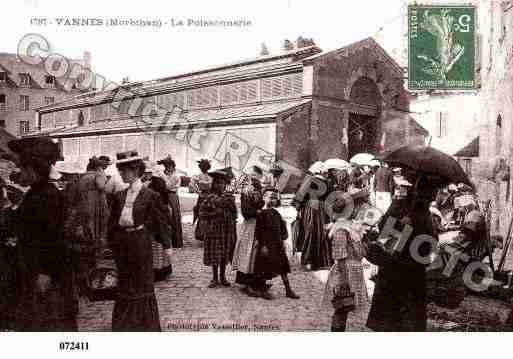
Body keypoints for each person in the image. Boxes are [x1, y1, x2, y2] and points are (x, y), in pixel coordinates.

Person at [8, 137, 78, 331]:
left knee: (50, 323)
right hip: (36, 269)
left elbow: (54, 239)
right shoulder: (37, 193)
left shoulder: (46, 196)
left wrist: (45, 272)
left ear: (34, 169)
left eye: (23, 168)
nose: (21, 173)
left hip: (47, 274)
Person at [107, 150, 172, 331]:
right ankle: (124, 324)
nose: (122, 174)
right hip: (123, 244)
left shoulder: (151, 195)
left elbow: (161, 221)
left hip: (140, 244)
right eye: (120, 171)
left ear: (136, 171)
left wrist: (167, 245)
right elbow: (112, 223)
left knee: (141, 283)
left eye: (125, 171)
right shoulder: (119, 196)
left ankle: (145, 325)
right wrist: (111, 243)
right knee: (125, 283)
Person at [366, 174, 439, 332]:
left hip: (408, 269)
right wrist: (400, 224)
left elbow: (430, 245)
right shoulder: (401, 206)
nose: (433, 197)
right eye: (431, 193)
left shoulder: (424, 213)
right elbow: (384, 231)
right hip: (398, 267)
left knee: (401, 318)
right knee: (396, 317)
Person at [323, 195, 369, 331]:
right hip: (345, 272)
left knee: (345, 307)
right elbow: (340, 257)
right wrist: (343, 283)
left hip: (352, 270)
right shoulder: (341, 229)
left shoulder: (348, 227)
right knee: (342, 307)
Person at [253, 187, 300, 300]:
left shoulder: (275, 212)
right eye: (270, 197)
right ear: (264, 198)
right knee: (264, 268)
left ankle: (288, 289)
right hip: (266, 245)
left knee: (283, 267)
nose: (273, 200)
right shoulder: (261, 213)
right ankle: (263, 290)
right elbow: (259, 231)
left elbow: (282, 227)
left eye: (275, 198)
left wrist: (284, 239)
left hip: (277, 244)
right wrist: (263, 245)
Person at [198, 169, 237, 288]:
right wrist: (215, 213)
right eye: (218, 183)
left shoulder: (229, 197)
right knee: (215, 252)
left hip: (226, 229)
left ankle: (223, 276)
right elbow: (202, 214)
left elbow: (235, 214)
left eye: (222, 183)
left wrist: (231, 213)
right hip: (214, 229)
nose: (220, 185)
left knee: (225, 252)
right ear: (214, 184)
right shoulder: (209, 197)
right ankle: (215, 278)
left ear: (225, 185)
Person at [232, 165, 265, 297]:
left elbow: (263, 204)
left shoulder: (260, 190)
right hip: (250, 224)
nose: (255, 179)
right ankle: (246, 283)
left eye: (257, 176)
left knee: (256, 253)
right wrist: (257, 211)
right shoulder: (247, 191)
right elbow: (245, 212)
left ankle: (256, 281)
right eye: (253, 176)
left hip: (259, 224)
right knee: (247, 252)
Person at [293, 173, 332, 271]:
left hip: (311, 209)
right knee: (321, 233)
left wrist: (299, 209)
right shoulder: (327, 182)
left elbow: (299, 199)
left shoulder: (309, 181)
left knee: (310, 233)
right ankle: (323, 261)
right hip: (322, 209)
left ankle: (309, 261)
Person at [147, 175, 174, 282]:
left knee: (156, 250)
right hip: (163, 229)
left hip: (156, 230)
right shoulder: (165, 200)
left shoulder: (154, 198)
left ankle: (158, 271)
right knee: (161, 250)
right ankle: (164, 269)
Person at [157, 155, 183, 248]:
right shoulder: (161, 174)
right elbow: (162, 185)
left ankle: (176, 242)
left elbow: (169, 186)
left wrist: (165, 183)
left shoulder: (176, 176)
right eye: (167, 166)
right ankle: (165, 241)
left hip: (172, 196)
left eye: (170, 166)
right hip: (163, 195)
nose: (169, 168)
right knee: (163, 216)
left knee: (175, 217)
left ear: (173, 166)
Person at [189, 159, 213, 242]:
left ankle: (204, 234)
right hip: (207, 196)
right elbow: (191, 185)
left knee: (204, 214)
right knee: (204, 214)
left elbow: (191, 185)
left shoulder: (199, 176)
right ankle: (204, 234)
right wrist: (199, 192)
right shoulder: (209, 176)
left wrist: (198, 191)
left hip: (205, 196)